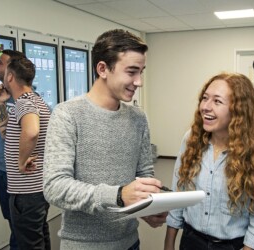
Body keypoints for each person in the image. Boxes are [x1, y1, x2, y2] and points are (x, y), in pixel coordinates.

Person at [43, 29, 166, 250]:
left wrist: (146, 206)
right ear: (102, 69)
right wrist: (118, 195)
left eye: (141, 72)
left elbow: (144, 173)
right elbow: (55, 187)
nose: (139, 82)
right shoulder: (67, 115)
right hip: (83, 245)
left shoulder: (138, 118)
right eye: (131, 72)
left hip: (130, 242)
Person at [164, 73, 254, 250]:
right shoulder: (191, 140)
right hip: (191, 241)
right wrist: (169, 244)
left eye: (217, 101)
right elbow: (179, 193)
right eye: (205, 98)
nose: (205, 107)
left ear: (238, 109)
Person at [0, 57, 51, 249]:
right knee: (39, 239)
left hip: (26, 192)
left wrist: (21, 162)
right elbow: (5, 133)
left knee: (29, 245)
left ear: (10, 76)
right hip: (36, 190)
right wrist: (1, 104)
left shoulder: (25, 103)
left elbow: (31, 131)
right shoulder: (34, 100)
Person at [0, 49, 26, 250]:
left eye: (0, 62)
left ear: (11, 71)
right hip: (3, 173)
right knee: (15, 227)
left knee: (23, 232)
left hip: (20, 176)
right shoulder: (3, 99)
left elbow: (32, 134)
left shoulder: (26, 101)